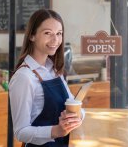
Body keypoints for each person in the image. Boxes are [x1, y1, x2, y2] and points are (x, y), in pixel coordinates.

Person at [9, 9, 83, 147]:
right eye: (48, 33)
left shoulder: (54, 70)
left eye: (59, 33)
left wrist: (77, 117)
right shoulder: (24, 77)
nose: (55, 40)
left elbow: (73, 104)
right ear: (32, 35)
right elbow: (20, 132)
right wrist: (56, 130)